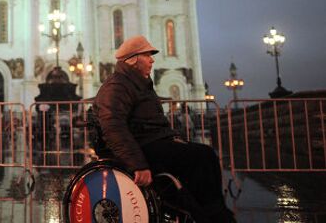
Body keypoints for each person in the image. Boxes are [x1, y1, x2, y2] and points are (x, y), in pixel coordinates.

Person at [92, 35, 236, 223]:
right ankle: (211, 214)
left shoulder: (139, 83)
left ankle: (207, 211)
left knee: (205, 154)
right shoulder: (117, 85)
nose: (152, 60)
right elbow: (113, 125)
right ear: (133, 59)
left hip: (149, 142)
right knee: (199, 158)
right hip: (139, 147)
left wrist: (171, 139)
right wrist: (138, 164)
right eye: (147, 55)